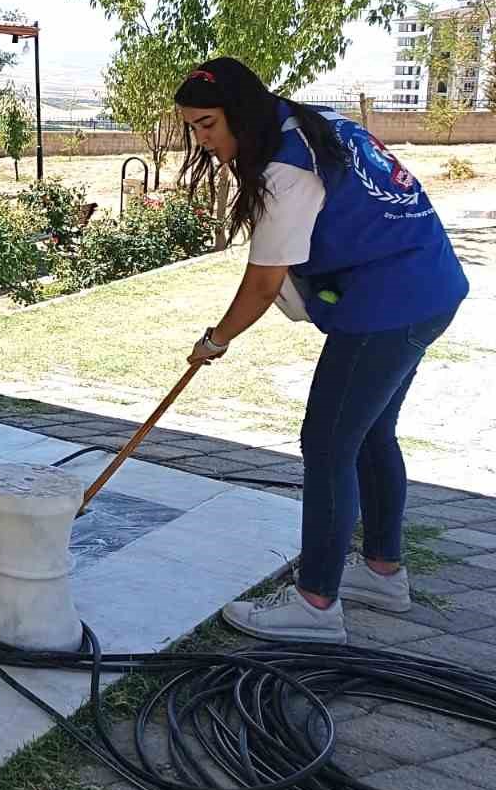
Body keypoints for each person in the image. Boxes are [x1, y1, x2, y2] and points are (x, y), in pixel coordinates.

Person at [173, 58, 468, 643]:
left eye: (207, 125)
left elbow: (262, 284)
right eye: (194, 128)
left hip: (389, 305)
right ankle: (382, 573)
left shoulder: (287, 170)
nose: (202, 141)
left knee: (328, 443)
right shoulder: (310, 122)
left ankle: (315, 604)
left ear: (242, 112)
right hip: (427, 284)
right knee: (370, 435)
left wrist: (216, 340)